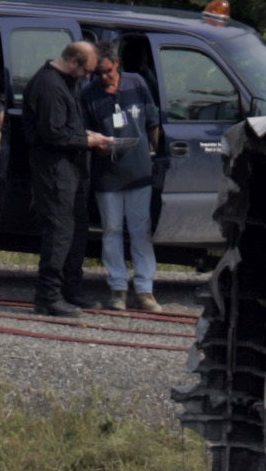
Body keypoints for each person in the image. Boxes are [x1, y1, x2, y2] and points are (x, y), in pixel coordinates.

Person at [23, 40, 113, 319]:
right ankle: (47, 297)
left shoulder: (66, 83)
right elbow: (54, 134)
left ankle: (71, 289)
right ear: (73, 62)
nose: (88, 77)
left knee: (77, 229)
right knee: (60, 232)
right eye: (86, 71)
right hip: (55, 170)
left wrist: (86, 136)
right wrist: (89, 141)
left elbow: (65, 127)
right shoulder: (50, 86)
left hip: (72, 169)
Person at [81, 40, 164, 312]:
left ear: (117, 65)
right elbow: (85, 131)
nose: (104, 77)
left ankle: (145, 289)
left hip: (139, 169)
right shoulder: (90, 93)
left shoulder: (137, 83)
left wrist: (154, 152)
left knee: (141, 230)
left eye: (108, 71)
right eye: (99, 73)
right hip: (107, 173)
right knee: (112, 230)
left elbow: (153, 121)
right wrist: (98, 144)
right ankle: (117, 287)